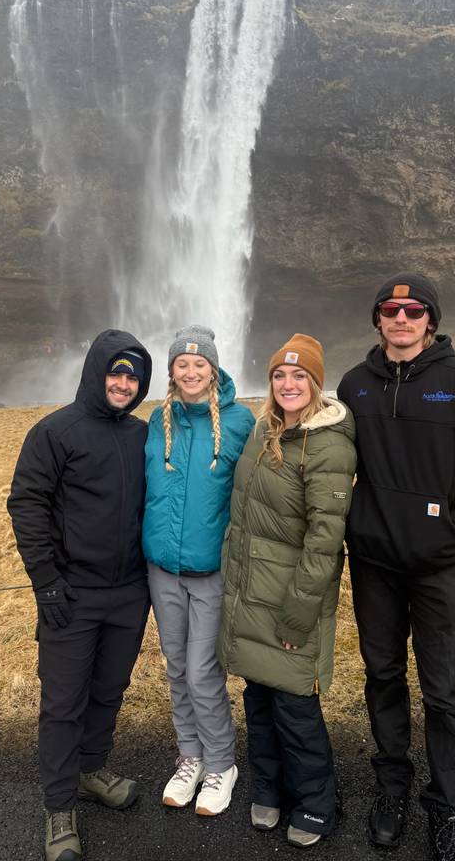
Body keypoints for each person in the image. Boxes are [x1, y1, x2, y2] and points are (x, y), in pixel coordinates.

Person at [337, 273, 455, 861]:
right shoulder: (354, 386)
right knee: (383, 679)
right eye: (390, 309)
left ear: (430, 320)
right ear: (377, 319)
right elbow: (329, 464)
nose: (401, 317)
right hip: (373, 567)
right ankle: (392, 789)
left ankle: (449, 810)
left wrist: (451, 531)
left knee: (445, 693)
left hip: (441, 569)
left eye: (413, 310)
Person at [8, 331, 152, 861]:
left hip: (130, 592)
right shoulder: (54, 432)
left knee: (109, 690)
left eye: (133, 375)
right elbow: (26, 505)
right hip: (71, 593)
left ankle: (92, 768)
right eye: (115, 372)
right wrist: (46, 580)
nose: (123, 383)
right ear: (96, 373)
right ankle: (60, 806)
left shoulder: (143, 435)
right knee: (63, 703)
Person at [217, 334, 356, 848]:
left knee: (297, 707)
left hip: (291, 598)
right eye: (280, 375)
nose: (289, 384)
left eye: (301, 376)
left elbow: (326, 536)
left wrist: (300, 610)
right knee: (258, 699)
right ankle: (270, 790)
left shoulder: (328, 442)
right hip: (250, 594)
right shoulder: (262, 429)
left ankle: (317, 804)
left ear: (317, 384)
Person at [142, 325, 255, 816]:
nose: (191, 371)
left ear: (214, 368)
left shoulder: (239, 421)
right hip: (162, 569)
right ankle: (190, 755)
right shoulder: (156, 419)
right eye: (182, 364)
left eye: (200, 364)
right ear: (172, 371)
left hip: (210, 571)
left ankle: (221, 764)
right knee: (175, 668)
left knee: (202, 671)